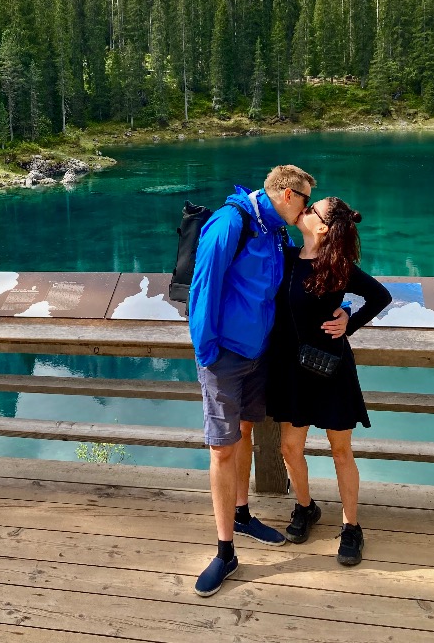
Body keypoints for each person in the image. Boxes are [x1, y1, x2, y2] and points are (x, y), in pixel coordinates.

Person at [189, 163, 317, 598]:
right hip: (224, 356)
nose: (307, 211)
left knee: (244, 432)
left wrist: (338, 312)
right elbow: (203, 289)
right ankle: (225, 551)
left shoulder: (273, 230)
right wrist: (208, 355)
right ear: (285, 194)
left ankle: (242, 514)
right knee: (223, 450)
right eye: (304, 202)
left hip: (258, 353)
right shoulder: (230, 223)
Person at [267, 196, 391, 567]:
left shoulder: (337, 266)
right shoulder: (286, 258)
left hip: (330, 369)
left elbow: (380, 296)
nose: (301, 212)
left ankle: (351, 526)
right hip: (292, 370)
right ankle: (305, 507)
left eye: (310, 210)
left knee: (340, 451)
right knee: (290, 448)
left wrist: (348, 321)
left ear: (321, 227)